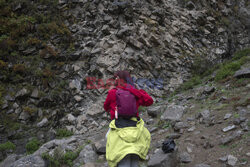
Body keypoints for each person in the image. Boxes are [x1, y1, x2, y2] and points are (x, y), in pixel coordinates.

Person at [104, 70, 153, 167]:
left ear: (118, 79)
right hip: (135, 128)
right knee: (134, 158)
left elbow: (106, 107)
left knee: (112, 143)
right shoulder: (134, 92)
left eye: (115, 78)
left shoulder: (113, 92)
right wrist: (136, 90)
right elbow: (149, 101)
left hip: (119, 127)